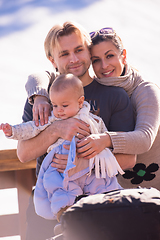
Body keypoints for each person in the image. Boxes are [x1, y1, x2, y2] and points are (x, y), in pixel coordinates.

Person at [17, 21, 135, 240]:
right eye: (64, 53)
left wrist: (84, 161)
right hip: (50, 204)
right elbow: (23, 154)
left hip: (100, 206)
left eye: (79, 50)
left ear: (88, 51)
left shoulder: (115, 96)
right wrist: (56, 130)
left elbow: (128, 159)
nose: (73, 59)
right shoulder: (42, 99)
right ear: (52, 60)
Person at [26, 26, 160, 190]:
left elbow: (143, 140)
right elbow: (43, 76)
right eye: (96, 59)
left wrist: (103, 142)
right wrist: (40, 97)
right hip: (60, 193)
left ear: (123, 56)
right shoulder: (53, 92)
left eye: (110, 56)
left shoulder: (140, 90)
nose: (104, 65)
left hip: (148, 189)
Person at [0, 73, 123, 221]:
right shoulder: (52, 119)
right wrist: (12, 131)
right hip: (61, 166)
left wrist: (100, 150)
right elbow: (31, 128)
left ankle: (104, 210)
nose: (59, 110)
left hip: (88, 167)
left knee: (100, 183)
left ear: (80, 102)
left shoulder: (93, 120)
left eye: (64, 105)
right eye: (55, 105)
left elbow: (105, 141)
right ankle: (64, 215)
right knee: (59, 186)